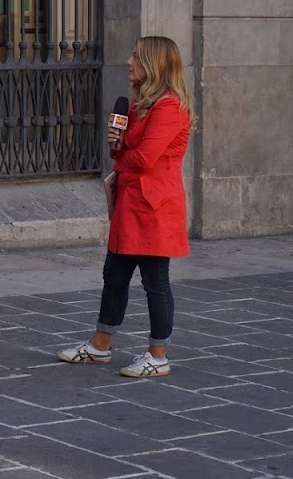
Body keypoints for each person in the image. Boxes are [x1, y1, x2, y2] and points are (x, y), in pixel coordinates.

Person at [57, 36, 195, 377]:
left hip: (152, 206)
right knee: (114, 275)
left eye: (136, 56)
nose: (129, 62)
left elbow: (146, 158)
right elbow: (126, 154)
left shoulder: (169, 107)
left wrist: (123, 156)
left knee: (155, 281)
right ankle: (100, 345)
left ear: (154, 65)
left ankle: (157, 355)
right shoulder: (138, 105)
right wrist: (118, 148)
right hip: (130, 202)